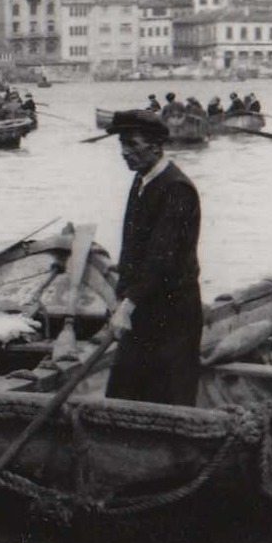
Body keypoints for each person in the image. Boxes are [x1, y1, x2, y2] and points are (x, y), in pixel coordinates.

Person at [101, 109, 203, 407]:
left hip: (173, 314)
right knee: (123, 392)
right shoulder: (142, 180)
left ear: (156, 146)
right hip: (143, 305)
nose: (124, 152)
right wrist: (122, 298)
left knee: (170, 398)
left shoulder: (177, 189)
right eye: (122, 144)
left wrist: (128, 304)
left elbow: (161, 258)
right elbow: (133, 250)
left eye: (132, 144)